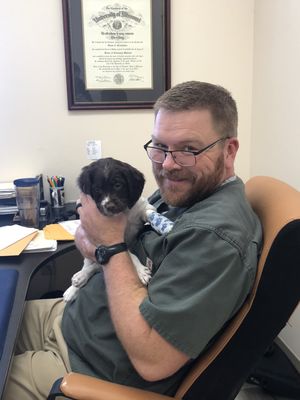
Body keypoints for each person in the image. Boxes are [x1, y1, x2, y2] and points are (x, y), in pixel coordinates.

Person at [4, 81, 262, 399]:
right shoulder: (185, 193)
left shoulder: (215, 238)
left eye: (189, 150)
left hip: (83, 365)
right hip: (71, 318)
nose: (167, 164)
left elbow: (152, 361)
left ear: (229, 151)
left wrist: (109, 246)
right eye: (160, 146)